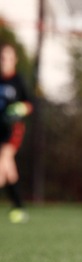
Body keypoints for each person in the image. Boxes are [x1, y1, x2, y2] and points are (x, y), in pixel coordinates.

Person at [0, 43, 33, 223]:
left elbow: (30, 104)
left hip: (13, 130)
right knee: (7, 170)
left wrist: (20, 108)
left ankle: (19, 206)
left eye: (8, 58)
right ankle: (19, 207)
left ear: (14, 60)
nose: (4, 61)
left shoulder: (18, 80)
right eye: (2, 57)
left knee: (4, 159)